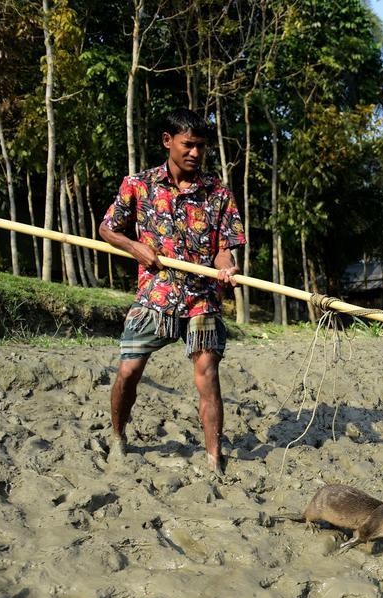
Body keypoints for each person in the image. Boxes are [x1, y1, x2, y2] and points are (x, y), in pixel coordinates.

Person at [99, 108, 245, 474]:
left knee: (208, 373)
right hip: (155, 296)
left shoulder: (218, 193)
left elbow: (224, 247)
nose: (195, 153)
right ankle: (118, 438)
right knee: (130, 371)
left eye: (201, 147)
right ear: (168, 141)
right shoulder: (139, 185)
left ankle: (214, 459)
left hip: (202, 299)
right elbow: (107, 228)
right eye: (188, 145)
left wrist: (225, 266)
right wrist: (136, 247)